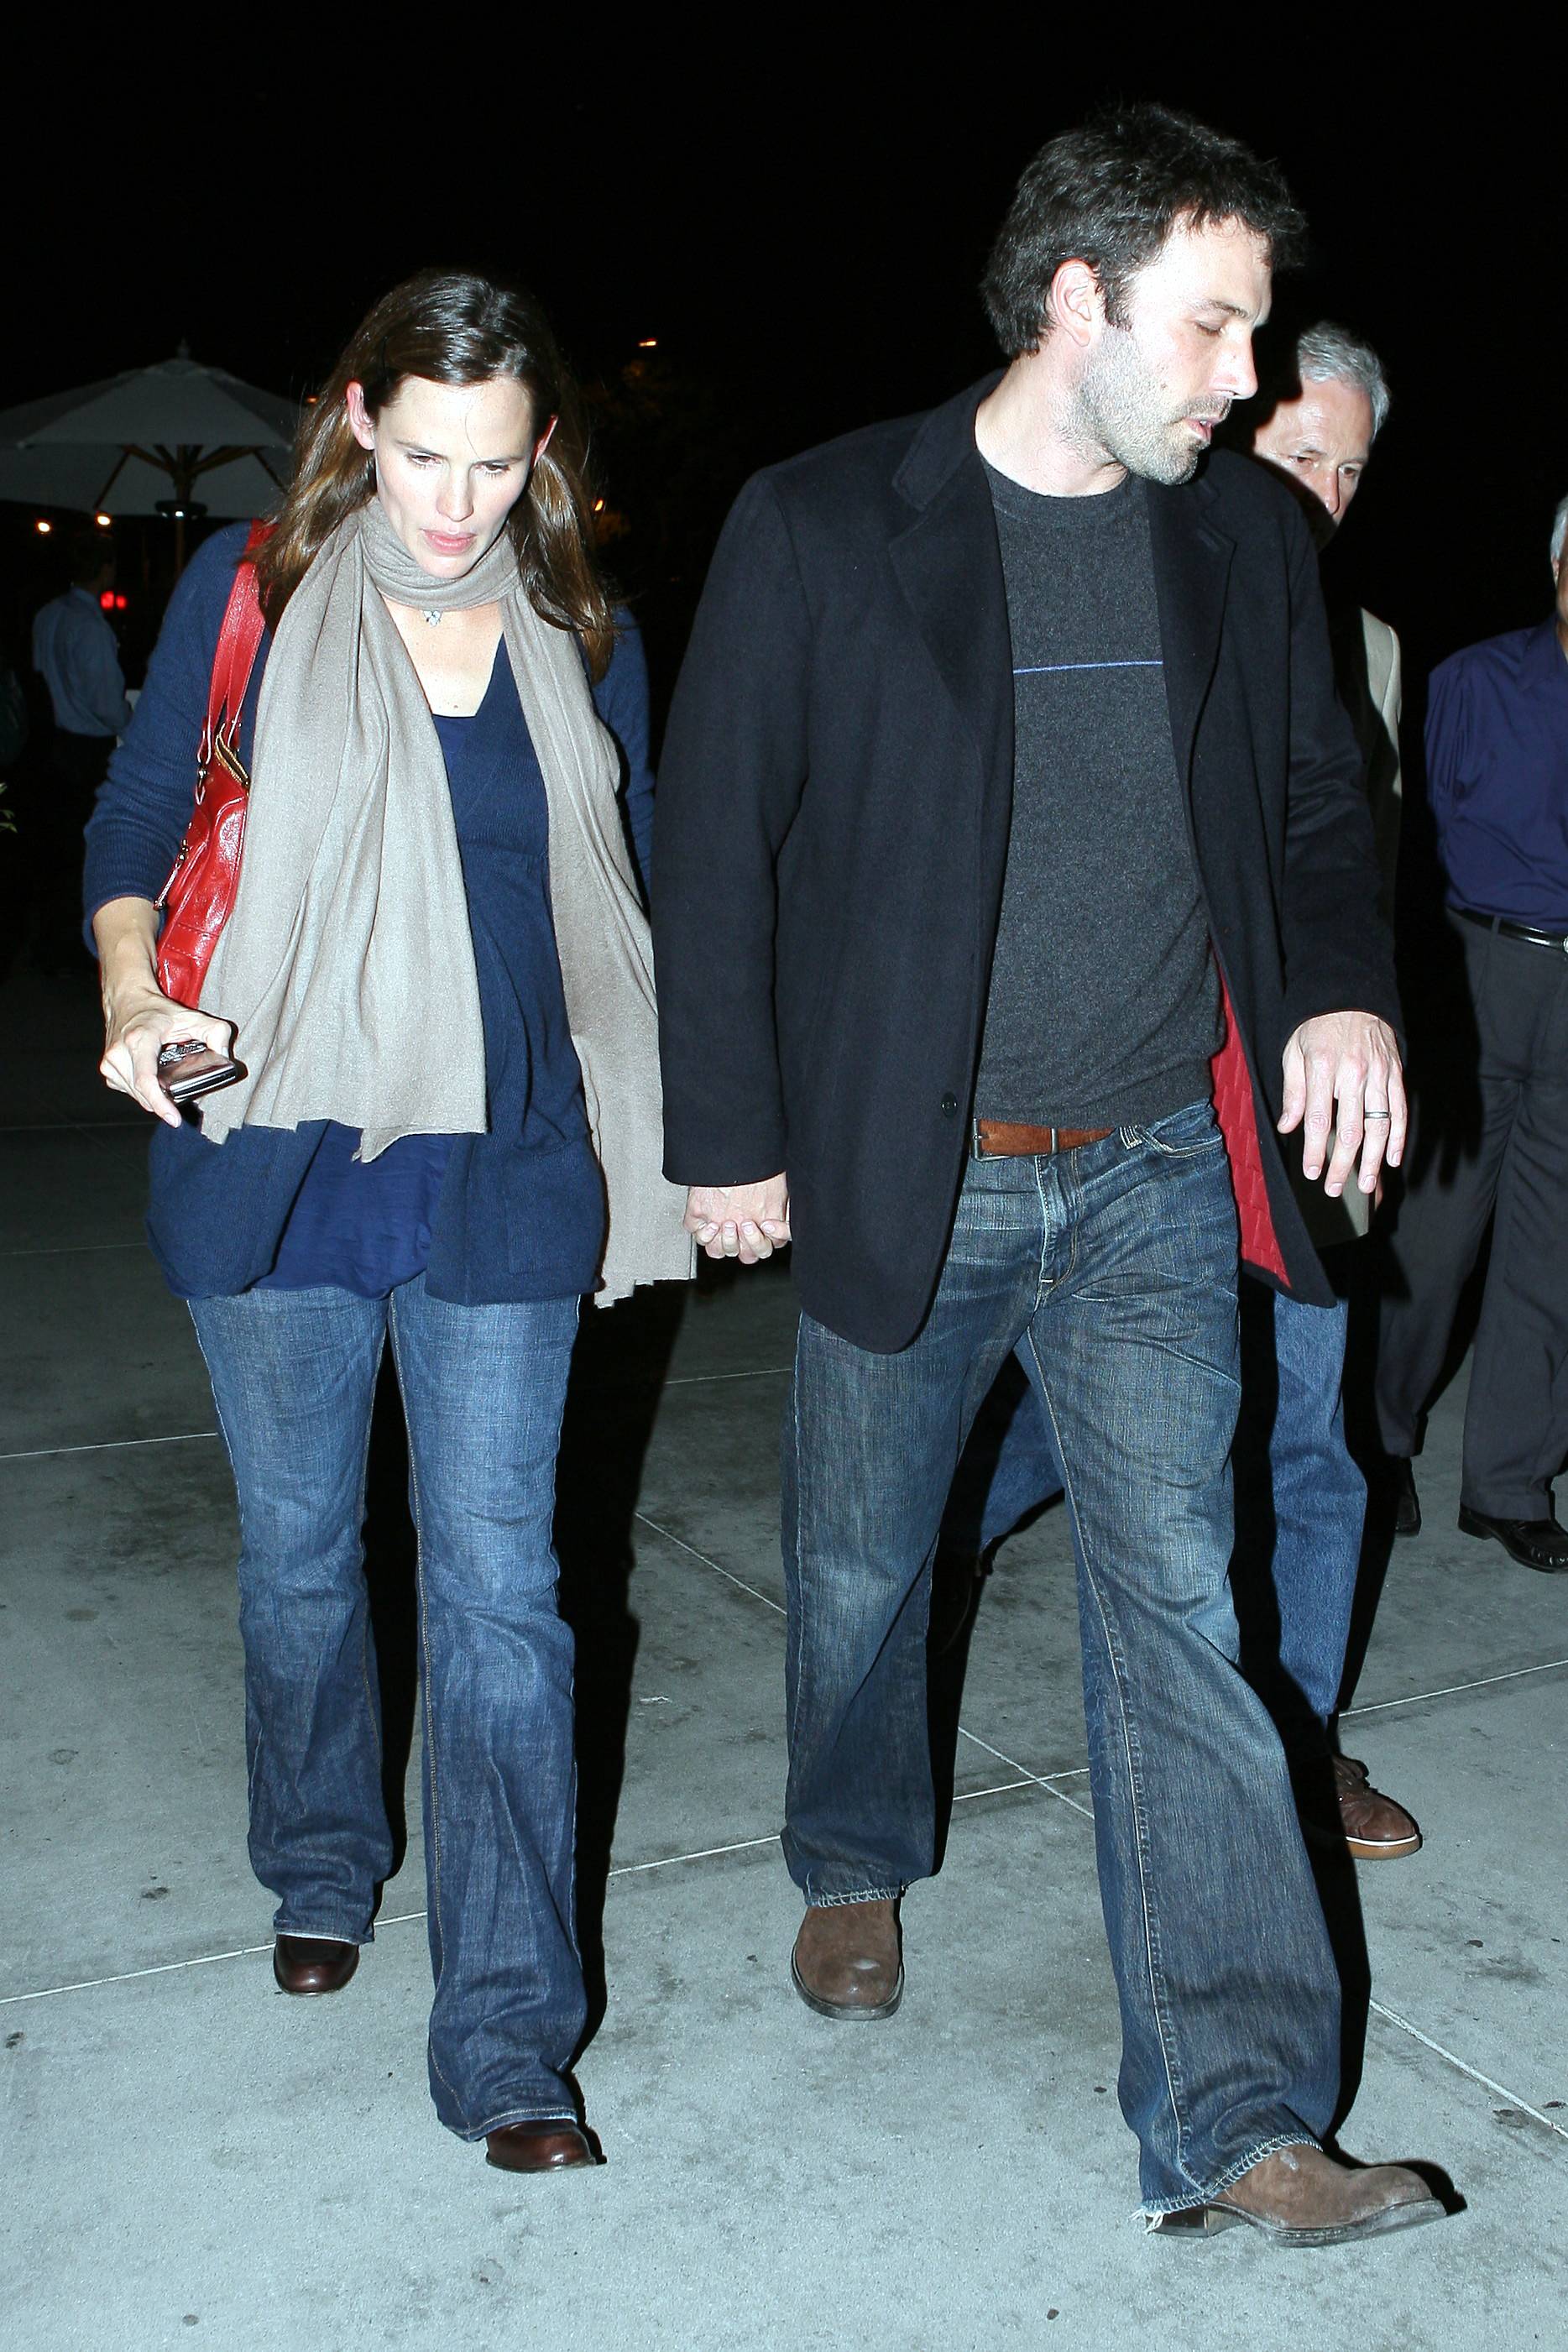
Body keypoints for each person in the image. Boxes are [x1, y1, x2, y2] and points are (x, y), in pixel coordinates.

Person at [652, 105, 1440, 2244]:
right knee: (858, 1565)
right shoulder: (824, 523)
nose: (1243, 383)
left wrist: (1338, 996)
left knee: (1178, 1605)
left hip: (1155, 1166)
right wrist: (725, 1139)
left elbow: (1315, 809)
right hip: (913, 1164)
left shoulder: (1240, 540)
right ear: (1074, 299)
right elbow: (712, 846)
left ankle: (1237, 2112)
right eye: (1211, 328)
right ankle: (849, 1851)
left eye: (1253, 335)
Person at [83, 270, 691, 2174]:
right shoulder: (249, 591)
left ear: (542, 452)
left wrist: (707, 1129)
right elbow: (132, 821)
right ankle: (322, 1853)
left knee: (503, 1592)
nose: (452, 502)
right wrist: (129, 994)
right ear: (359, 419)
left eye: (492, 465)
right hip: (275, 1142)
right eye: (423, 455)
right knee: (300, 1555)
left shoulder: (581, 622)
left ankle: (508, 2036)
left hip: (505, 1156)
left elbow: (644, 887)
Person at [941, 321, 1422, 1863]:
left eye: (1349, 470)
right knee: (1081, 1432)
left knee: (1309, 1436)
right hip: (1142, 1098)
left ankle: (1298, 1746)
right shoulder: (1137, 580)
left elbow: (1346, 879)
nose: (1322, 495)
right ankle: (924, 1561)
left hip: (1290, 1122)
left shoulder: (1372, 648)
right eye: (1298, 456)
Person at [1373, 494, 1568, 1571]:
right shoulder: (1471, 682)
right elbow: (1415, 838)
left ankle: (1507, 1484)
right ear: (1555, 568)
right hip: (1480, 968)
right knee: (1432, 1237)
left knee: (1553, 1247)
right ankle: (1380, 1443)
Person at [32, 532, 131, 964]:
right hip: (86, 751)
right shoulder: (91, 628)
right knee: (86, 851)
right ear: (104, 569)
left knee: (57, 850)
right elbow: (108, 703)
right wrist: (134, 727)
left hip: (51, 743)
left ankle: (50, 946)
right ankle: (71, 950)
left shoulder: (48, 615)